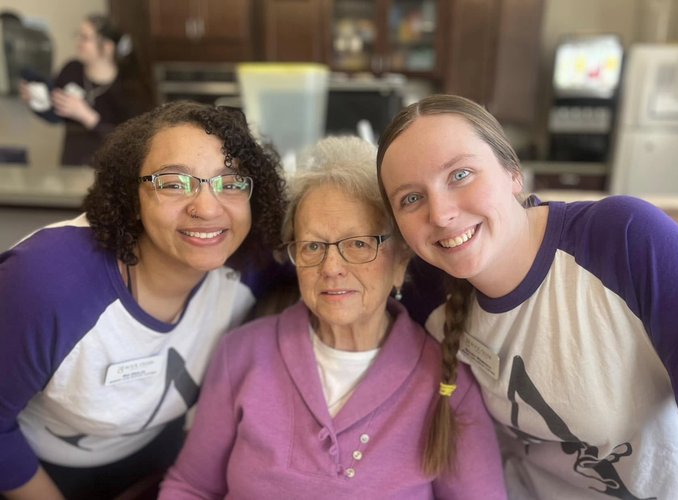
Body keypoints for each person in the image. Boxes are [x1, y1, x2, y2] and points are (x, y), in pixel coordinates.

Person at [376, 94, 678, 499]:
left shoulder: (626, 241)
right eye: (411, 198)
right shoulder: (425, 292)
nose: (440, 214)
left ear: (513, 173)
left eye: (460, 175)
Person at [159, 136, 507, 499]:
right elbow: (191, 487)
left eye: (358, 244)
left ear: (400, 261)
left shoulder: (448, 381)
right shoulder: (242, 353)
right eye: (312, 246)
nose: (331, 268)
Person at [0, 101, 286, 499]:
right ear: (131, 197)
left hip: (158, 461)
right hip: (33, 472)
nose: (207, 207)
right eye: (173, 182)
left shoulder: (252, 266)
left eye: (230, 182)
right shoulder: (48, 282)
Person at [19, 13, 150, 166]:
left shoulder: (129, 86)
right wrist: (37, 101)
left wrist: (88, 117)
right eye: (78, 36)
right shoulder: (71, 70)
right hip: (71, 163)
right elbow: (55, 114)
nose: (78, 42)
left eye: (85, 38)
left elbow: (132, 141)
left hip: (110, 170)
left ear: (107, 47)